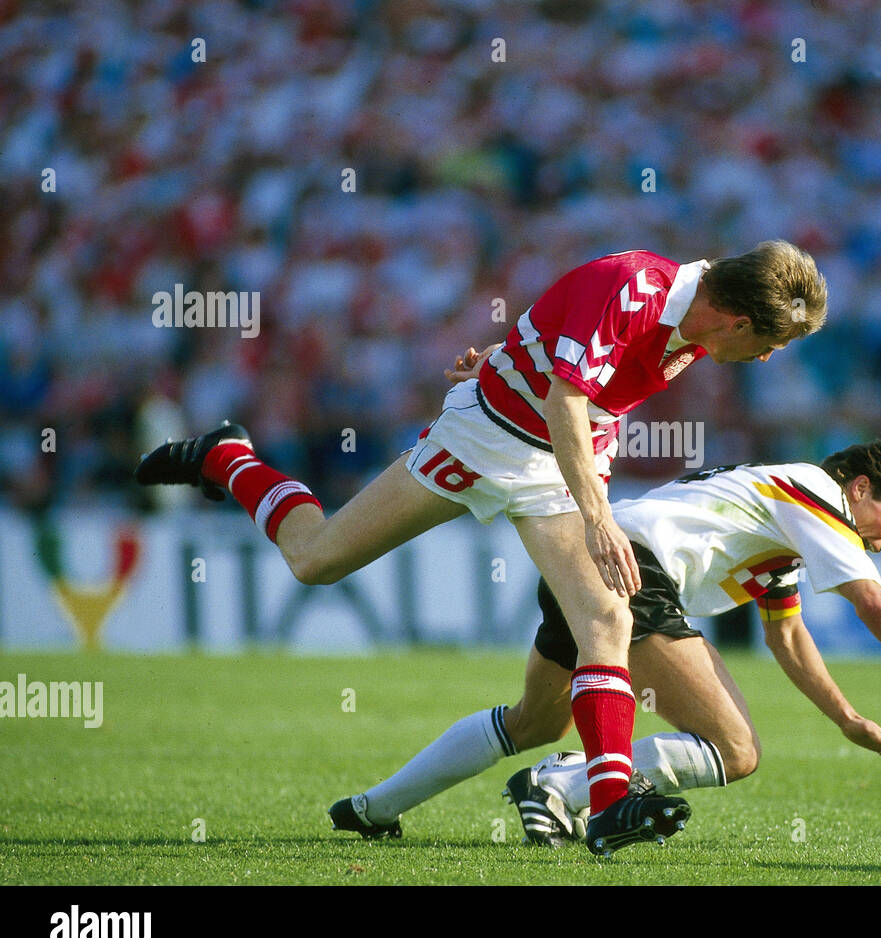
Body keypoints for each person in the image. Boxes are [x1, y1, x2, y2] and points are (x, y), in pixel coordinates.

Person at [135, 242, 827, 856]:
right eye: (771, 343)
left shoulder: (694, 325)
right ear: (738, 320)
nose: (766, 358)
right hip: (484, 438)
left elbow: (575, 361)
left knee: (607, 619)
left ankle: (610, 802)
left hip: (554, 467)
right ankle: (227, 457)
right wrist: (598, 515)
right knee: (315, 558)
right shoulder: (632, 286)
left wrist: (506, 356)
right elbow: (565, 397)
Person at [327, 437, 881, 849]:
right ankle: (562, 783)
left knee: (531, 719)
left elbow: (787, 635)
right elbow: (874, 600)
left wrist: (848, 718)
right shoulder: (816, 493)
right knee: (737, 750)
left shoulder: (786, 525)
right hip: (635, 569)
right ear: (861, 487)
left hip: (587, 556)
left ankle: (372, 807)